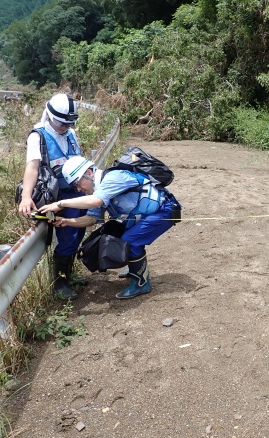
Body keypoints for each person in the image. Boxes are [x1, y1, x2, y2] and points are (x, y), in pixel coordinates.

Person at [38, 156, 182, 299]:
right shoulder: (98, 190)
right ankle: (135, 269)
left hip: (164, 210)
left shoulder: (113, 178)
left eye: (77, 183)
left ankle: (141, 284)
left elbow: (96, 201)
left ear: (89, 173)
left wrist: (60, 204)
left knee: (130, 241)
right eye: (75, 186)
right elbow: (91, 219)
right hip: (146, 213)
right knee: (120, 237)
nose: (78, 188)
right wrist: (66, 221)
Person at [18, 93, 87, 300]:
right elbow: (32, 167)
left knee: (78, 233)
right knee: (67, 237)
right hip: (57, 196)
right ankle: (59, 284)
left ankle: (68, 274)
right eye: (60, 123)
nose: (63, 127)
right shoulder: (37, 136)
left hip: (77, 193)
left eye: (67, 123)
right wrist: (26, 197)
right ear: (48, 115)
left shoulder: (70, 133)